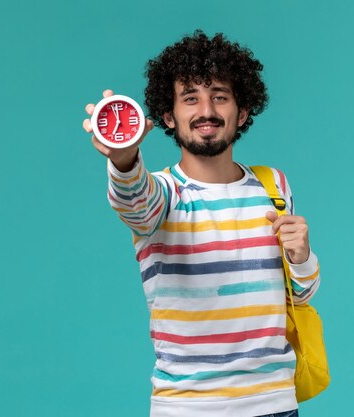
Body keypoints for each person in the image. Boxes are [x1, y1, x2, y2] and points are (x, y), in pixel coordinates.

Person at [82, 30, 321, 417]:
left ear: (242, 112)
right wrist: (124, 157)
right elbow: (134, 199)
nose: (206, 110)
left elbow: (302, 294)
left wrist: (302, 258)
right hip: (188, 409)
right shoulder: (163, 195)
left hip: (275, 404)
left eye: (220, 96)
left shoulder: (274, 185)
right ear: (168, 117)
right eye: (190, 98)